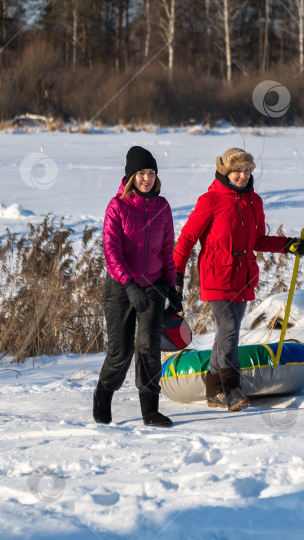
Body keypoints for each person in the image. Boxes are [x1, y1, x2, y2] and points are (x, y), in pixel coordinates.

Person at [173, 148, 304, 412]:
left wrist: (289, 245)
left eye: (247, 171)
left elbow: (258, 239)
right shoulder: (210, 200)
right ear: (226, 171)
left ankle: (214, 391)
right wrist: (176, 275)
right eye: (238, 170)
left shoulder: (254, 202)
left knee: (226, 333)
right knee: (230, 327)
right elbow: (188, 238)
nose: (243, 176)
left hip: (243, 277)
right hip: (216, 275)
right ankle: (232, 389)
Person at [93, 146, 183, 427]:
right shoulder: (117, 206)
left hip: (154, 286)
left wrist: (172, 287)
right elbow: (111, 251)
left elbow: (168, 249)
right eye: (141, 173)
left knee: (148, 348)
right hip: (121, 288)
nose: (147, 178)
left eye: (152, 173)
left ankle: (150, 411)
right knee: (121, 352)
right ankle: (103, 394)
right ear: (131, 176)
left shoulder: (162, 206)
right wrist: (129, 283)